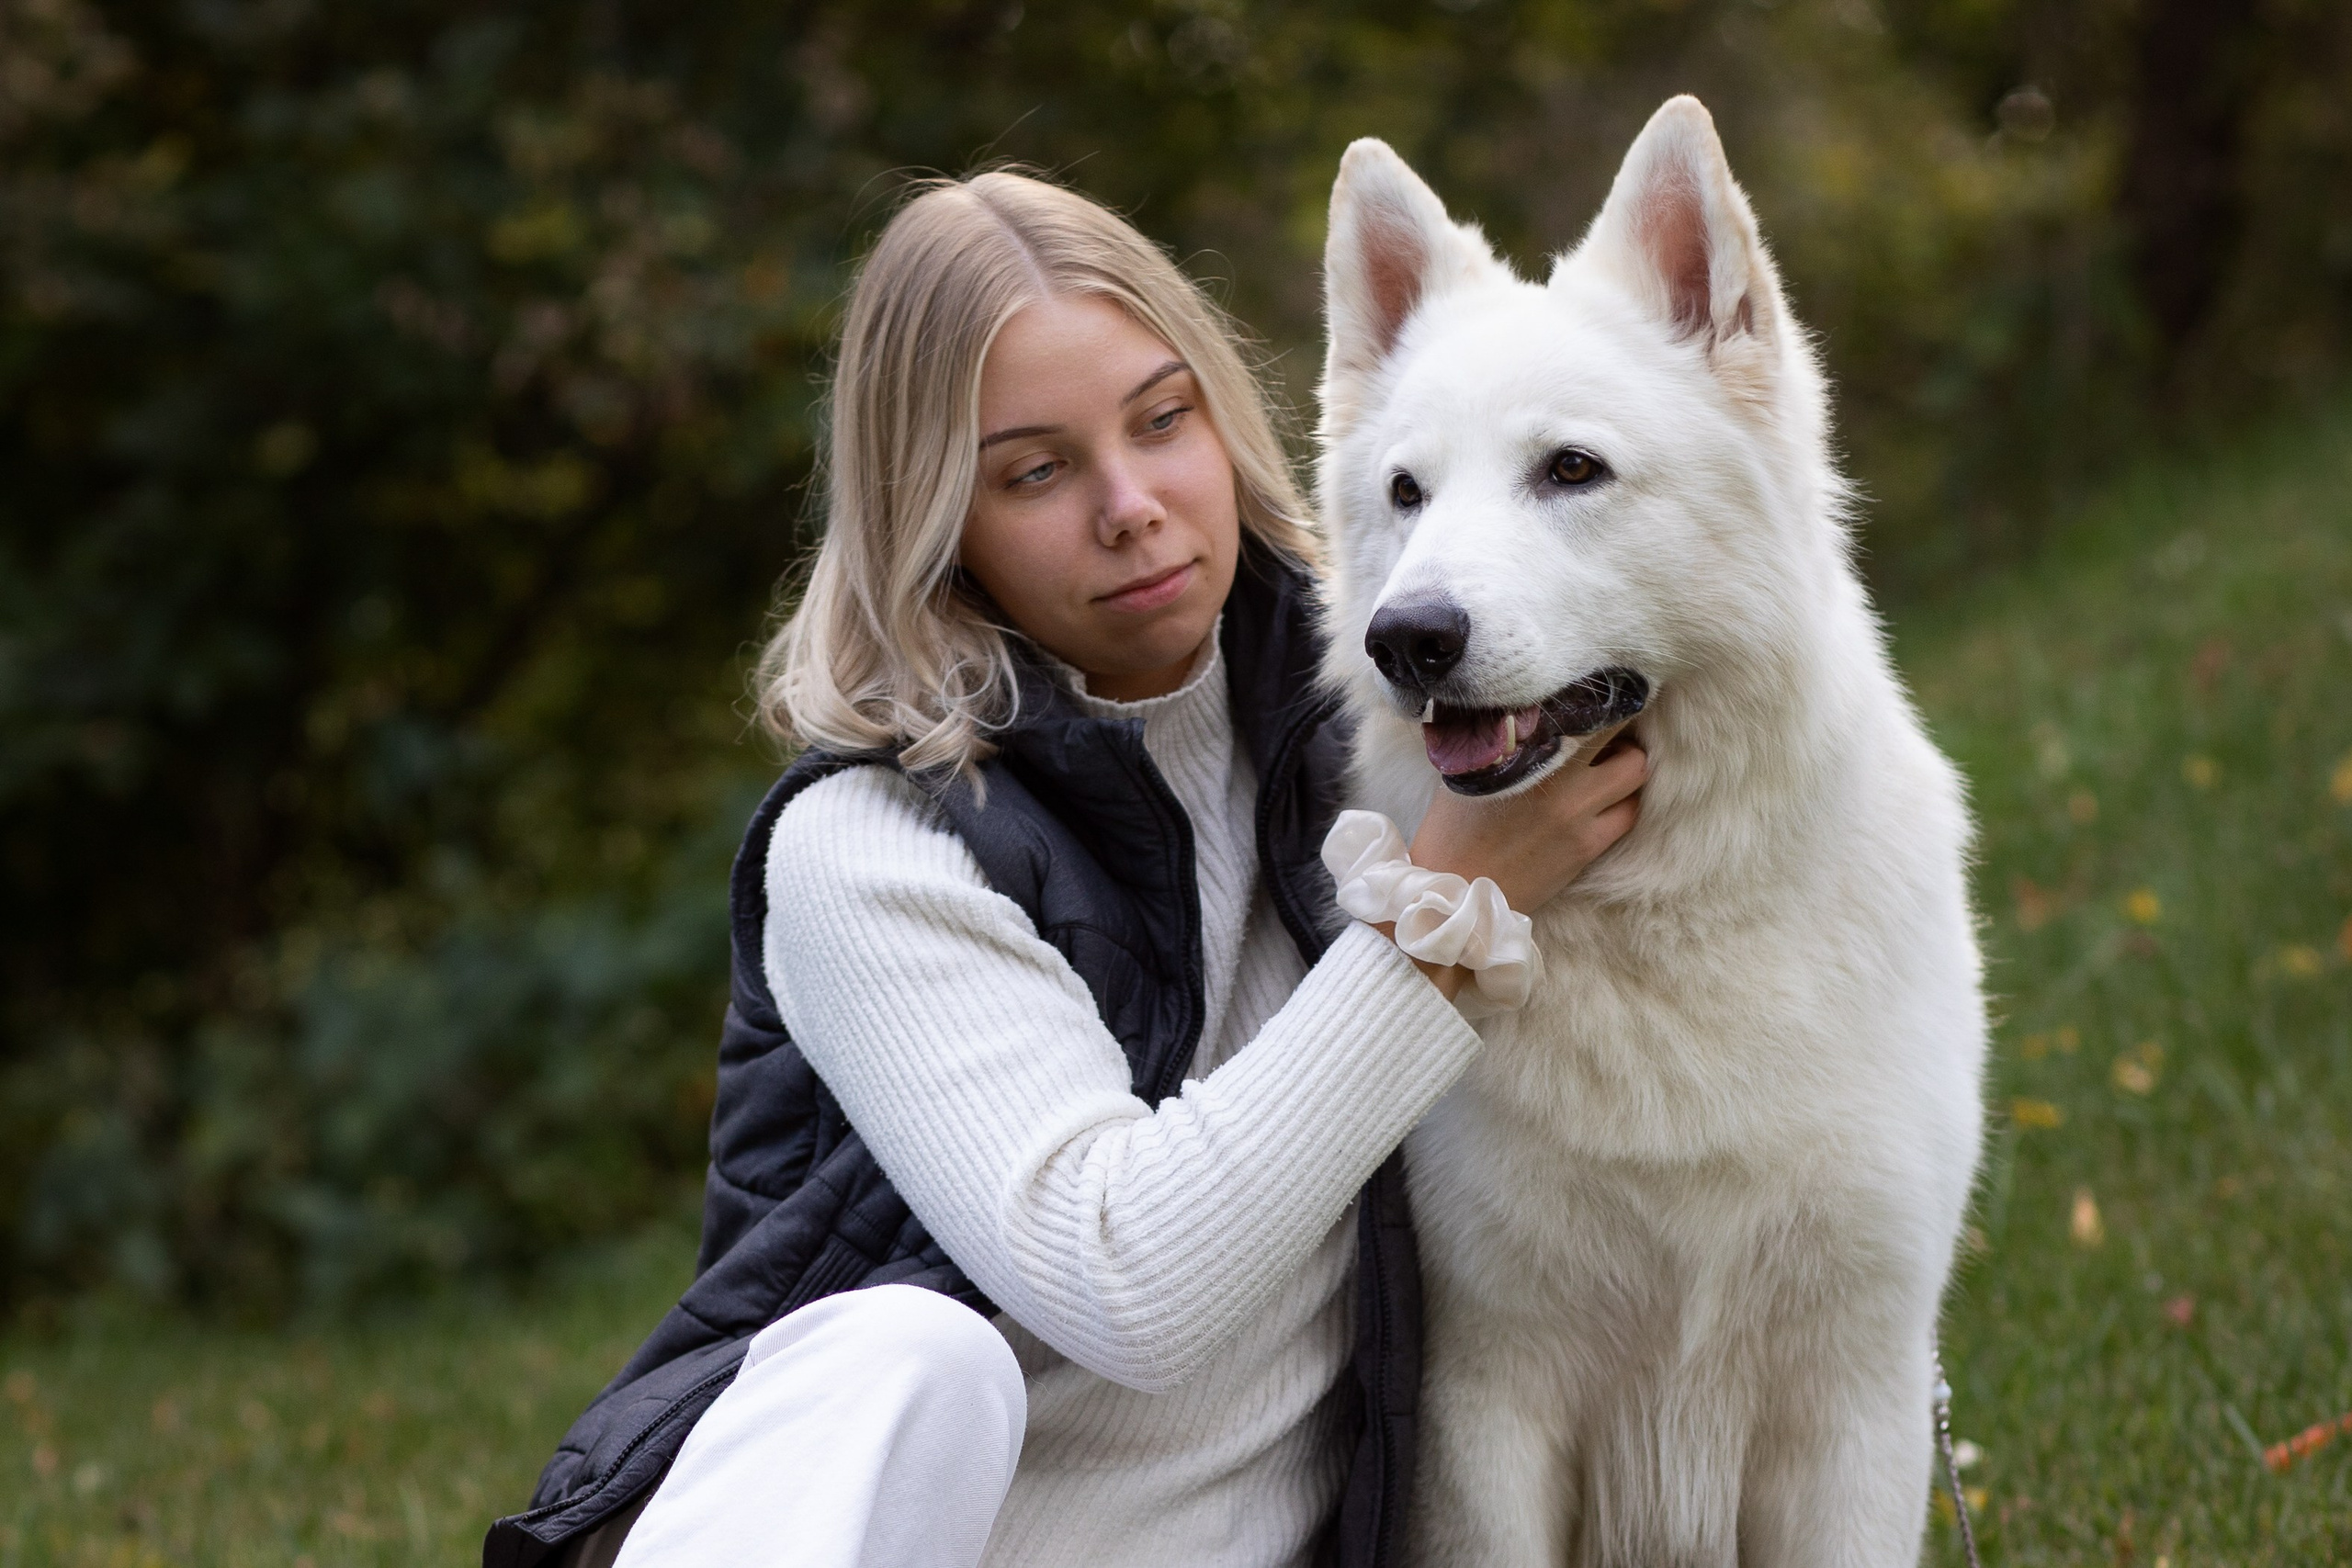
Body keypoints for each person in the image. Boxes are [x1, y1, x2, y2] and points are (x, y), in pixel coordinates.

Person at [483, 169, 1646, 1568]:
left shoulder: (1392, 735)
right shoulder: (870, 850)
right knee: (912, 1356)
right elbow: (1130, 1283)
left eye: (1164, 422)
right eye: (1037, 471)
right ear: (937, 521)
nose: (1133, 506)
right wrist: (1446, 911)